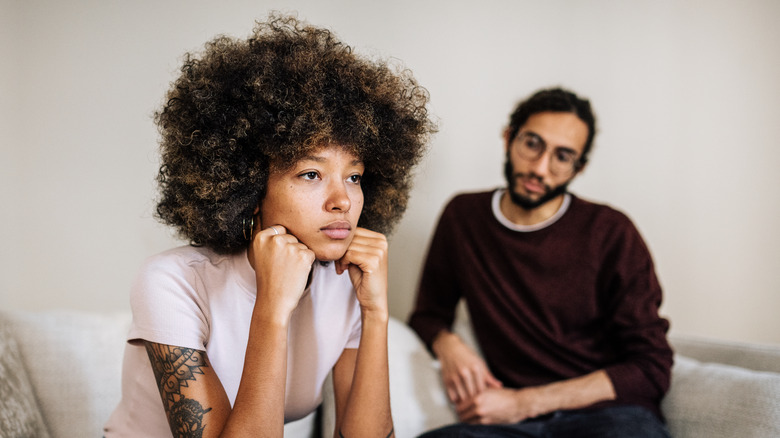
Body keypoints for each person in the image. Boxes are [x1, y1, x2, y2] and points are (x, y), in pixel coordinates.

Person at [104, 14, 434, 438]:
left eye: (354, 176)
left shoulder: (346, 284)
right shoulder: (172, 282)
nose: (344, 201)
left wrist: (376, 311)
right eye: (311, 174)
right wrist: (273, 309)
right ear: (250, 185)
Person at [408, 87, 673, 437]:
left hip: (608, 419)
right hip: (514, 428)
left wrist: (522, 402)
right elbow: (428, 314)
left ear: (579, 168)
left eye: (563, 157)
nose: (540, 168)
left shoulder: (612, 232)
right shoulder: (463, 217)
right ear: (508, 138)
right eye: (532, 144)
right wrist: (449, 344)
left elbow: (651, 368)